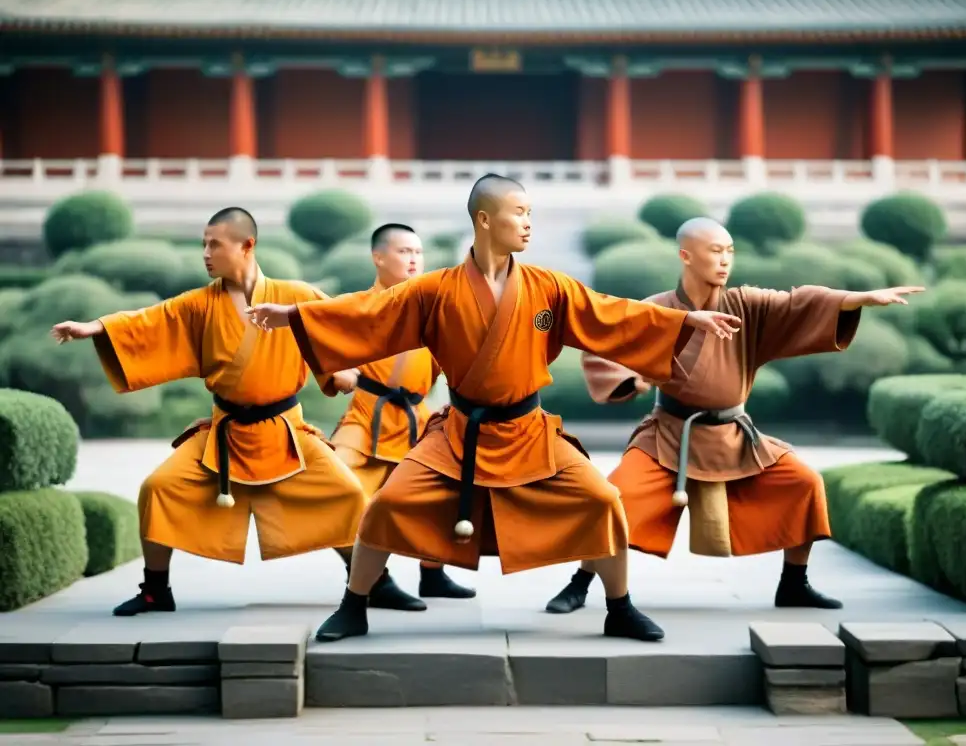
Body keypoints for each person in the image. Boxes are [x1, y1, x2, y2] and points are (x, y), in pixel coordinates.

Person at [246, 174, 743, 644]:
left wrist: (683, 321)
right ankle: (353, 604)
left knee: (602, 500)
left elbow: (610, 312)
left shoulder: (549, 287)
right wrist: (292, 315)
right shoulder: (434, 290)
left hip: (529, 430)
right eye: (519, 212)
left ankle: (620, 607)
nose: (528, 222)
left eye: (530, 213)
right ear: (485, 220)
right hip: (460, 432)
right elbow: (366, 314)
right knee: (385, 505)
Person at [543, 217, 926, 615]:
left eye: (729, 252)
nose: (725, 261)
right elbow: (610, 337)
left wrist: (857, 299)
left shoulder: (746, 305)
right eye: (715, 251)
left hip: (735, 436)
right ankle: (580, 582)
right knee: (615, 500)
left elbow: (799, 302)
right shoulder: (658, 309)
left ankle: (794, 583)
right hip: (669, 437)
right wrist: (629, 379)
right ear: (685, 256)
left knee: (804, 483)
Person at [49, 207, 421, 616]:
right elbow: (150, 321)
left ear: (247, 246)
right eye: (204, 244)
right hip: (224, 435)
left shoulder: (295, 295)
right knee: (158, 488)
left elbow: (333, 327)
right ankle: (156, 590)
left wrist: (337, 369)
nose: (206, 254)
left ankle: (375, 584)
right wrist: (97, 327)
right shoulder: (199, 304)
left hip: (285, 432)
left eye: (215, 244)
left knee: (348, 494)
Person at [328, 222, 475, 602]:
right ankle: (372, 579)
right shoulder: (356, 308)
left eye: (418, 253)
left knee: (443, 493)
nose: (413, 260)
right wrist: (336, 369)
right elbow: (321, 345)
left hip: (417, 419)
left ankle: (433, 572)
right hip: (366, 416)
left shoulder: (436, 310)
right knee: (337, 489)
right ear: (378, 257)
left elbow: (455, 365)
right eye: (404, 252)